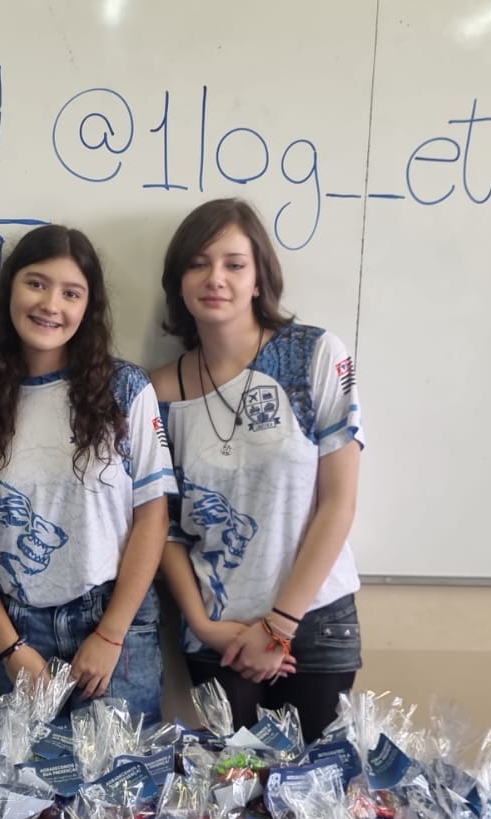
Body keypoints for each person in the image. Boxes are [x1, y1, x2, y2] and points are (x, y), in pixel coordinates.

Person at [0, 224, 176, 724]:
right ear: (11, 289)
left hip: (115, 627)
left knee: (118, 775)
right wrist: (10, 649)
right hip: (16, 630)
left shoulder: (125, 389)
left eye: (71, 293)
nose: (51, 305)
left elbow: (152, 517)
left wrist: (110, 633)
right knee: (15, 775)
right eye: (36, 284)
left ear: (88, 307)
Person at [150, 198, 365, 741]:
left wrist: (279, 625)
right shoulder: (158, 391)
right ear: (178, 281)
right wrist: (203, 625)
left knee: (317, 786)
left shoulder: (314, 355)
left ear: (258, 277)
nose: (215, 278)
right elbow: (163, 527)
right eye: (198, 264)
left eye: (234, 264)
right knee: (232, 785)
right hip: (217, 631)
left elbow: (338, 502)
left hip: (314, 619)